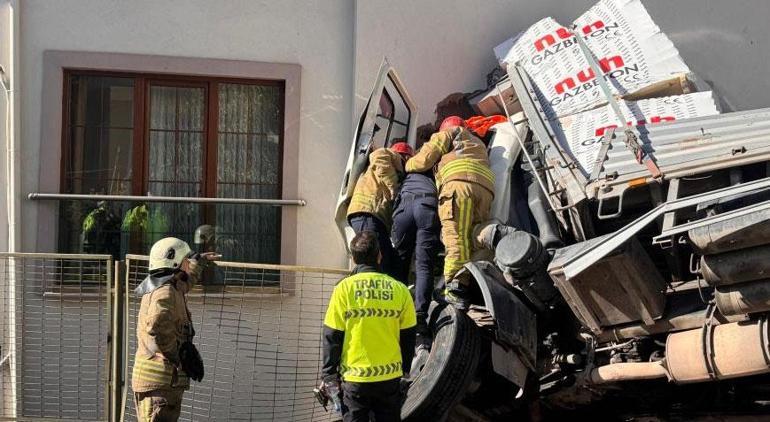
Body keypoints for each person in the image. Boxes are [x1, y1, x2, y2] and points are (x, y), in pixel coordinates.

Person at [320, 231, 417, 421]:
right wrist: (404, 370)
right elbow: (408, 335)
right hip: (389, 380)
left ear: (354, 258)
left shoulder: (343, 289)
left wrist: (329, 375)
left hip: (355, 381)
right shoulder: (400, 290)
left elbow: (332, 335)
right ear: (379, 255)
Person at [405, 116, 494, 311]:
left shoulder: (447, 133)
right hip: (485, 192)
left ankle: (455, 289)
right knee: (475, 238)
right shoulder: (478, 142)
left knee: (455, 238)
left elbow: (423, 161)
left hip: (458, 187)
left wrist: (407, 164)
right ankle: (472, 283)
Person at [132, 237, 210, 422]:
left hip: (162, 385)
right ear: (176, 262)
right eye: (186, 260)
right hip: (160, 385)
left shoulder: (166, 286)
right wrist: (180, 356)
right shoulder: (165, 291)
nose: (187, 262)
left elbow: (185, 284)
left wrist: (198, 264)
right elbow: (157, 326)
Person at [390, 140, 441, 366]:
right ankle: (419, 314)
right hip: (428, 206)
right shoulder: (434, 168)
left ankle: (393, 309)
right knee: (423, 265)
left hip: (403, 208)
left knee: (399, 262)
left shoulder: (406, 170)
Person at [347, 142, 414, 276]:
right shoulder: (391, 155)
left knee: (385, 257)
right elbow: (378, 155)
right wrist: (394, 186)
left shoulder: (378, 170)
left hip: (369, 215)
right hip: (368, 212)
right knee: (377, 260)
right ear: (405, 157)